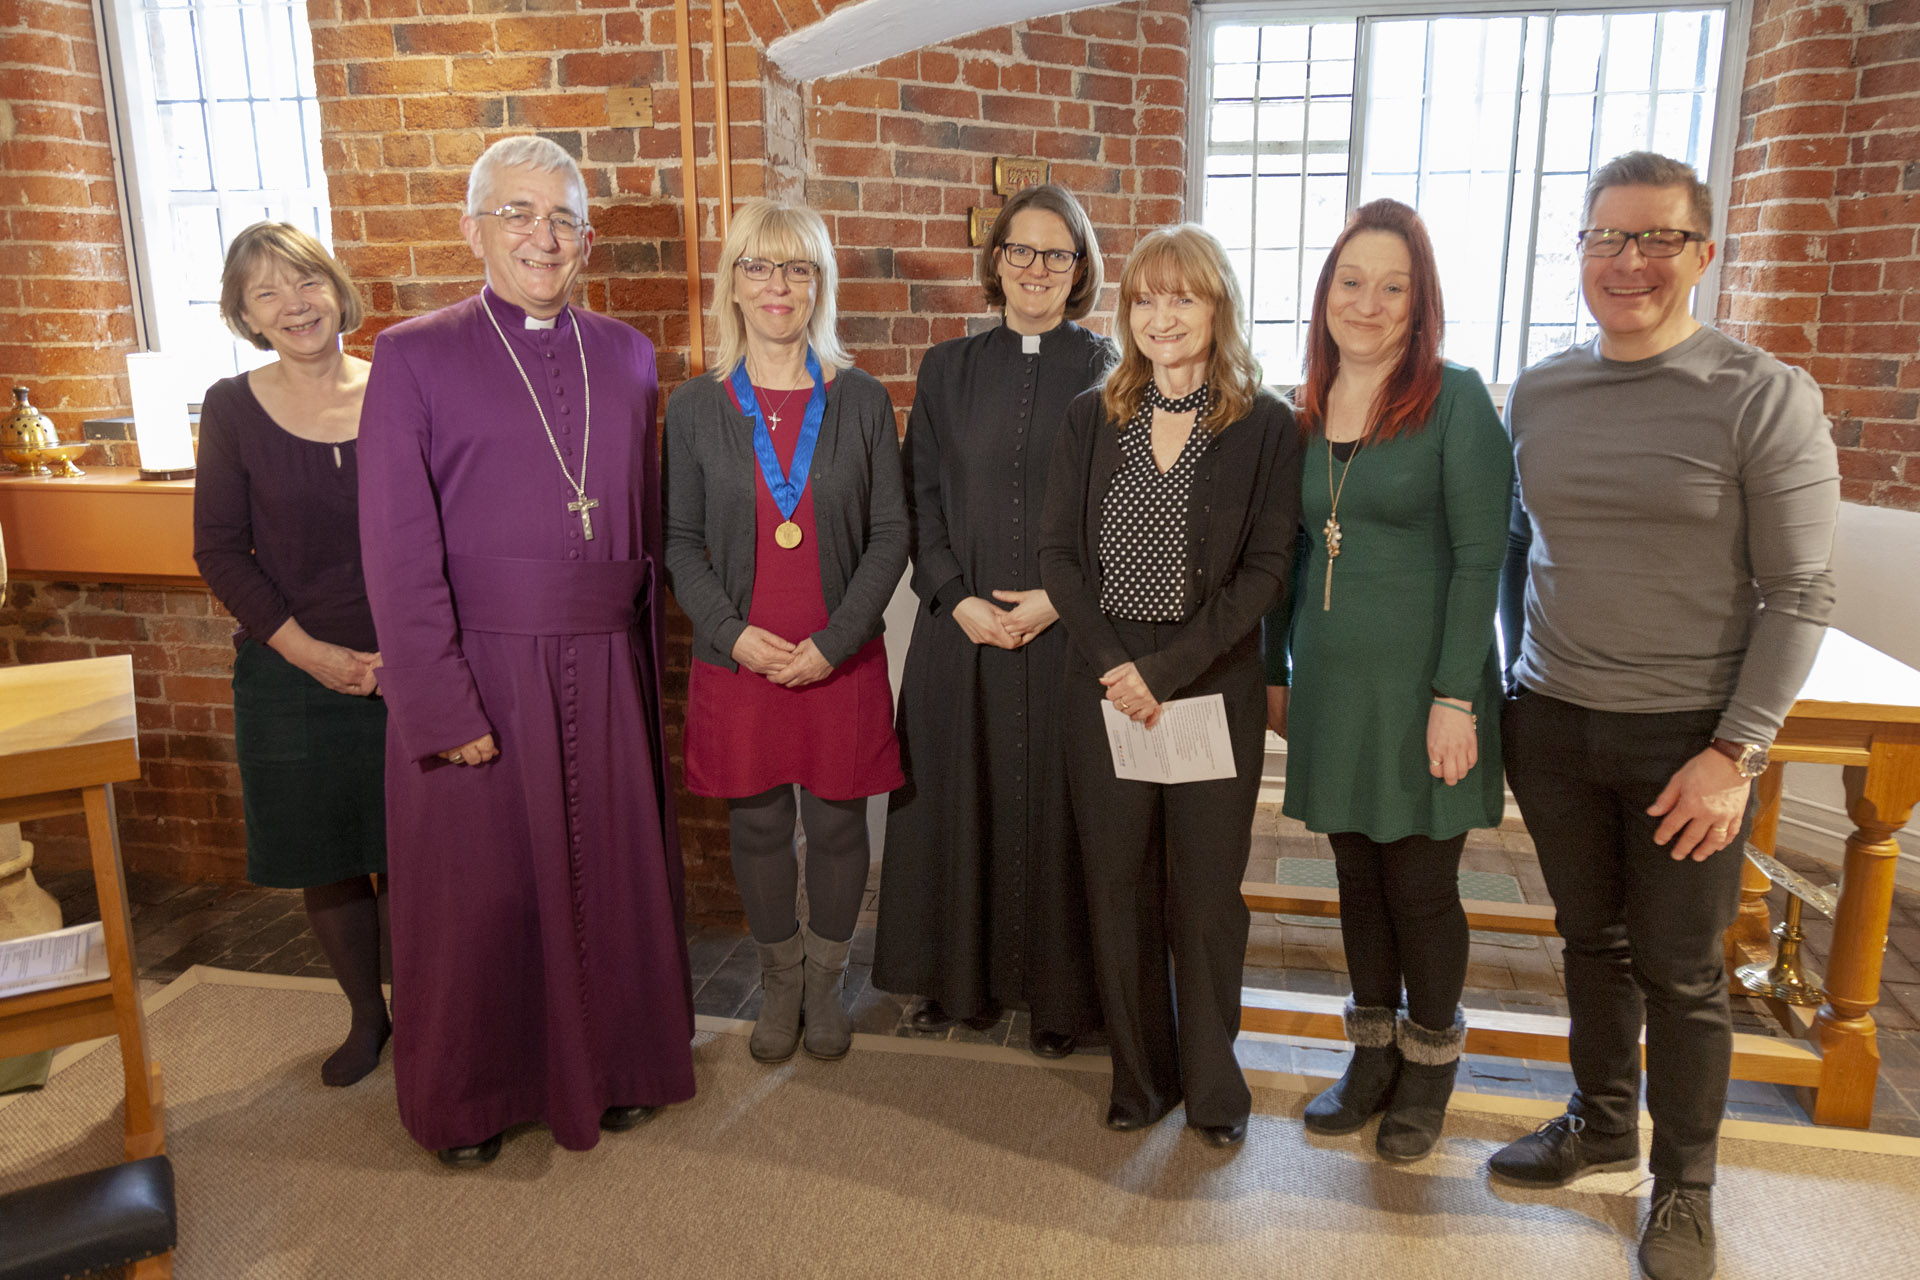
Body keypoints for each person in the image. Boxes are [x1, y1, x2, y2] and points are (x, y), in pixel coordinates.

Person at [1493, 152, 1839, 1280]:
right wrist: (1510, 680)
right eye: (1607, 237)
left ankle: (1686, 1183)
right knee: (1588, 940)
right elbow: (1513, 548)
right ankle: (1601, 1128)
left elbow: (1802, 591)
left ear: (1702, 252)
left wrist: (1735, 749)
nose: (1628, 261)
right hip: (1551, 719)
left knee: (1683, 970)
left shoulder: (1760, 392)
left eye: (1656, 239)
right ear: (1581, 251)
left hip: (1688, 736)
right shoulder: (1539, 390)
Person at [357, 135, 695, 1166]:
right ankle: (475, 1095)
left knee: (612, 876)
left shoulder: (630, 354)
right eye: (516, 213)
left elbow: (637, 517)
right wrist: (439, 703)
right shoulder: (415, 353)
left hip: (604, 660)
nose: (541, 237)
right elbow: (395, 545)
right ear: (472, 228)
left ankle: (617, 1065)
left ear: (586, 236)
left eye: (561, 217)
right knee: (480, 893)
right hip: (482, 666)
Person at [1038, 224, 1303, 1148]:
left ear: (1218, 304)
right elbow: (1060, 560)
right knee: (1117, 884)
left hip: (1210, 680)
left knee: (1204, 894)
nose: (1162, 316)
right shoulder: (1091, 416)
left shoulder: (1267, 424)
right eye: (1145, 298)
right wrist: (1121, 670)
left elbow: (1266, 571)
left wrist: (1164, 673)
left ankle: (1213, 1082)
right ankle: (1140, 1079)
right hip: (1103, 683)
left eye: (1182, 297)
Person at [1262, 200, 1511, 1162]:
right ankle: (1370, 1059)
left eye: (1393, 286)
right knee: (1355, 880)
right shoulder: (1306, 407)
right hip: (1332, 687)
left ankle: (1430, 1071)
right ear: (1326, 295)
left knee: (1419, 886)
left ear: (1421, 302)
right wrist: (1276, 671)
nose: (1368, 303)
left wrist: (1456, 696)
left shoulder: (1458, 400)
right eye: (1351, 282)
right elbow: (1287, 554)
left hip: (1422, 692)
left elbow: (1482, 558)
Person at [663, 199, 906, 1066]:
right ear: (733, 284)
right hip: (743, 662)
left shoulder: (864, 399)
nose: (777, 286)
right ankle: (779, 983)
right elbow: (681, 545)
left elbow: (891, 535)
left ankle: (829, 980)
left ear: (820, 285)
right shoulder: (695, 407)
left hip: (837, 656)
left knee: (841, 829)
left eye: (796, 268)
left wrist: (835, 642)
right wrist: (732, 634)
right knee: (760, 827)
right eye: (759, 267)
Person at [872, 184, 1109, 1057]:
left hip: (1064, 635)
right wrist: (955, 596)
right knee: (953, 802)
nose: (1037, 269)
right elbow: (919, 497)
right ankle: (952, 984)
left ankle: (1058, 999)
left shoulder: (1113, 368)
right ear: (997, 262)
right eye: (1022, 251)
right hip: (960, 632)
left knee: (1058, 813)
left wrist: (1060, 602)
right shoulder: (947, 369)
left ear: (1079, 268)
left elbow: (1123, 509)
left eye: (1057, 254)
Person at [192, 222, 390, 1089]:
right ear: (244, 315)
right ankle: (367, 1018)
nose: (293, 304)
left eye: (304, 281)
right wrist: (313, 655)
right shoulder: (232, 407)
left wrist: (417, 646)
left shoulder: (404, 388)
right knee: (331, 856)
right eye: (266, 292)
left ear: (336, 287)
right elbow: (220, 551)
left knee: (422, 852)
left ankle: (433, 1013)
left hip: (410, 662)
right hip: (290, 669)